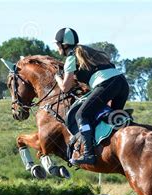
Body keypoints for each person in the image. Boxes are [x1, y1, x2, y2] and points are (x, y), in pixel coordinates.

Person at [54, 27, 129, 166]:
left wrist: (58, 77)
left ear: (63, 45)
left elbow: (65, 88)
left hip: (107, 84)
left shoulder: (71, 57)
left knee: (81, 115)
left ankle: (89, 154)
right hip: (122, 83)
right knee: (109, 117)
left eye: (57, 44)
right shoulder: (88, 52)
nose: (57, 47)